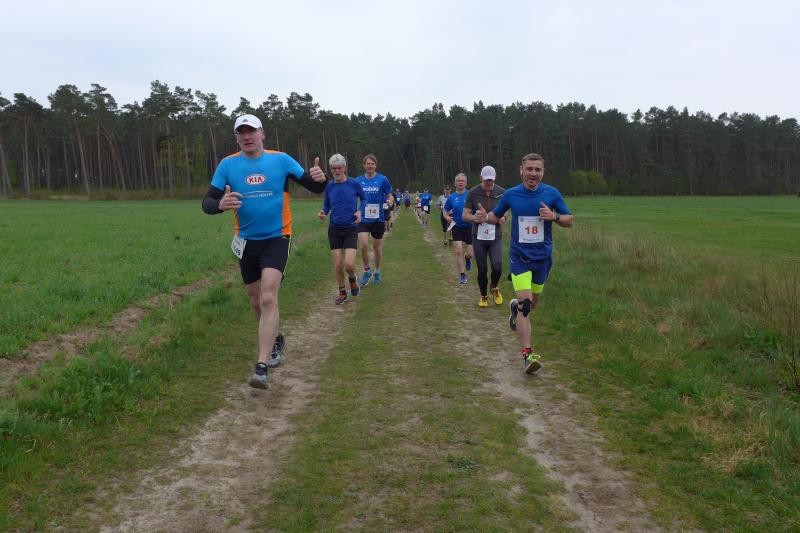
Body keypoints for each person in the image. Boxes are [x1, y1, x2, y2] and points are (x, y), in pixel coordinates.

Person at [202, 114, 327, 389]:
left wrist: (322, 179)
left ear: (262, 134)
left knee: (269, 297)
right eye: (242, 133)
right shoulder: (228, 165)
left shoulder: (281, 160)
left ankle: (261, 366)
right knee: (256, 300)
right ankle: (275, 339)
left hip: (277, 237)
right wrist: (220, 204)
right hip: (246, 241)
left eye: (252, 131)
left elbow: (315, 186)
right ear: (237, 138)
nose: (247, 137)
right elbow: (207, 202)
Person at [477, 153, 573, 374]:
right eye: (529, 169)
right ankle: (528, 355)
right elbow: (495, 216)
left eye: (537, 170)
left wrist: (554, 217)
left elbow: (569, 220)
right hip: (519, 257)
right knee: (526, 304)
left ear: (543, 172)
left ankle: (515, 309)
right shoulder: (511, 194)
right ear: (521, 170)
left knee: (532, 303)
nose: (533, 173)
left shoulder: (551, 193)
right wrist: (485, 217)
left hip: (543, 259)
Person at [318, 154, 364, 304]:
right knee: (338, 264)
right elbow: (326, 205)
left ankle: (352, 278)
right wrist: (323, 212)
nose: (336, 171)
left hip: (350, 229)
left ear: (344, 168)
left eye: (339, 168)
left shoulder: (354, 183)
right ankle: (342, 292)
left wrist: (360, 211)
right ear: (331, 169)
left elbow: (364, 199)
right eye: (333, 168)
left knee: (349, 265)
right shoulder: (329, 186)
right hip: (334, 230)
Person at [463, 166, 506, 308]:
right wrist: (475, 217)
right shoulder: (473, 192)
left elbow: (506, 211)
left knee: (497, 267)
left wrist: (504, 217)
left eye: (491, 180)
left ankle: (494, 287)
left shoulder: (502, 192)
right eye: (486, 180)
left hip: (496, 235)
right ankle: (483, 296)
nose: (489, 183)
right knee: (482, 269)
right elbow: (465, 215)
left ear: (495, 178)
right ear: (481, 177)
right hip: (479, 236)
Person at [356, 154, 393, 286]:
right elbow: (353, 196)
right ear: (364, 165)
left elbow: (389, 195)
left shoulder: (382, 179)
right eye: (368, 164)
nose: (370, 166)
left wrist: (390, 201)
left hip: (378, 218)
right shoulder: (358, 180)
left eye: (372, 164)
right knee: (363, 245)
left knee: (376, 247)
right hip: (363, 218)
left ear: (375, 165)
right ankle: (367, 270)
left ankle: (377, 271)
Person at [442, 173, 474, 285]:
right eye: (458, 181)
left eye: (463, 181)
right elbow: (445, 211)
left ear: (466, 183)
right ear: (455, 183)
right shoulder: (451, 197)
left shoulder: (471, 195)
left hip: (470, 227)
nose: (460, 182)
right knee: (458, 251)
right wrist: (447, 218)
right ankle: (462, 274)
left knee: (470, 253)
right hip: (457, 226)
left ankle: (467, 258)